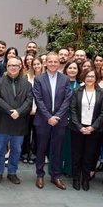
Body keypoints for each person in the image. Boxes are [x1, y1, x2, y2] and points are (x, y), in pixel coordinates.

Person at [32, 52, 72, 190]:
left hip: (59, 121)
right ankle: (40, 175)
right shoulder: (39, 79)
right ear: (46, 63)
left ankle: (56, 176)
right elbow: (38, 99)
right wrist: (49, 116)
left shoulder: (65, 79)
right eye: (50, 61)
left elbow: (67, 99)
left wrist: (57, 116)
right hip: (43, 120)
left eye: (55, 61)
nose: (53, 64)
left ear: (58, 63)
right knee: (41, 149)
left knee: (57, 149)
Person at [0, 57, 33, 185]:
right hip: (3, 122)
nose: (13, 67)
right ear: (6, 67)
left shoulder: (27, 84)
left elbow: (29, 101)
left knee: (16, 150)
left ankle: (12, 173)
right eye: (10, 65)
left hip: (19, 123)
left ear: (20, 66)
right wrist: (11, 111)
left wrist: (19, 112)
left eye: (16, 65)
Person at [69, 69, 103, 191]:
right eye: (87, 76)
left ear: (96, 78)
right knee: (76, 155)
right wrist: (80, 127)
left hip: (94, 130)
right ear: (83, 78)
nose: (90, 78)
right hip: (77, 129)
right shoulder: (77, 91)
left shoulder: (102, 92)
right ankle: (76, 178)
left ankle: (85, 179)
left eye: (92, 76)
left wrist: (92, 127)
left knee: (89, 155)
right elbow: (73, 110)